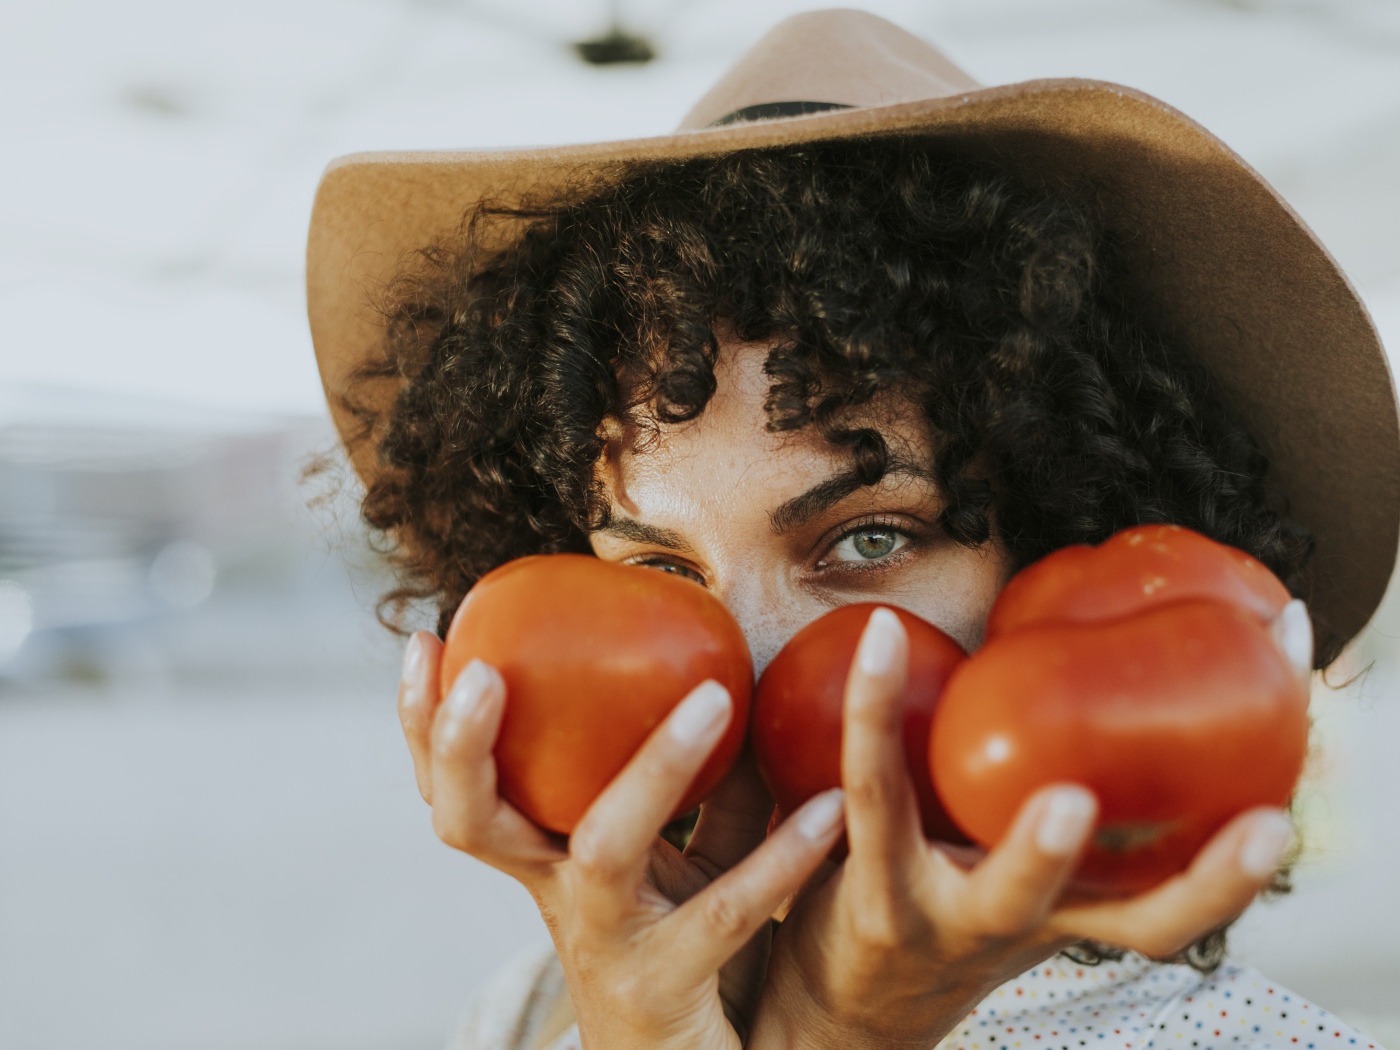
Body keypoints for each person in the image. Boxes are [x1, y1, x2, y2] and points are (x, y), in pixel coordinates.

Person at [305, 11, 1399, 1050]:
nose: (744, 664)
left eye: (868, 539)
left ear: (1079, 546)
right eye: (657, 567)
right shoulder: (545, 1006)